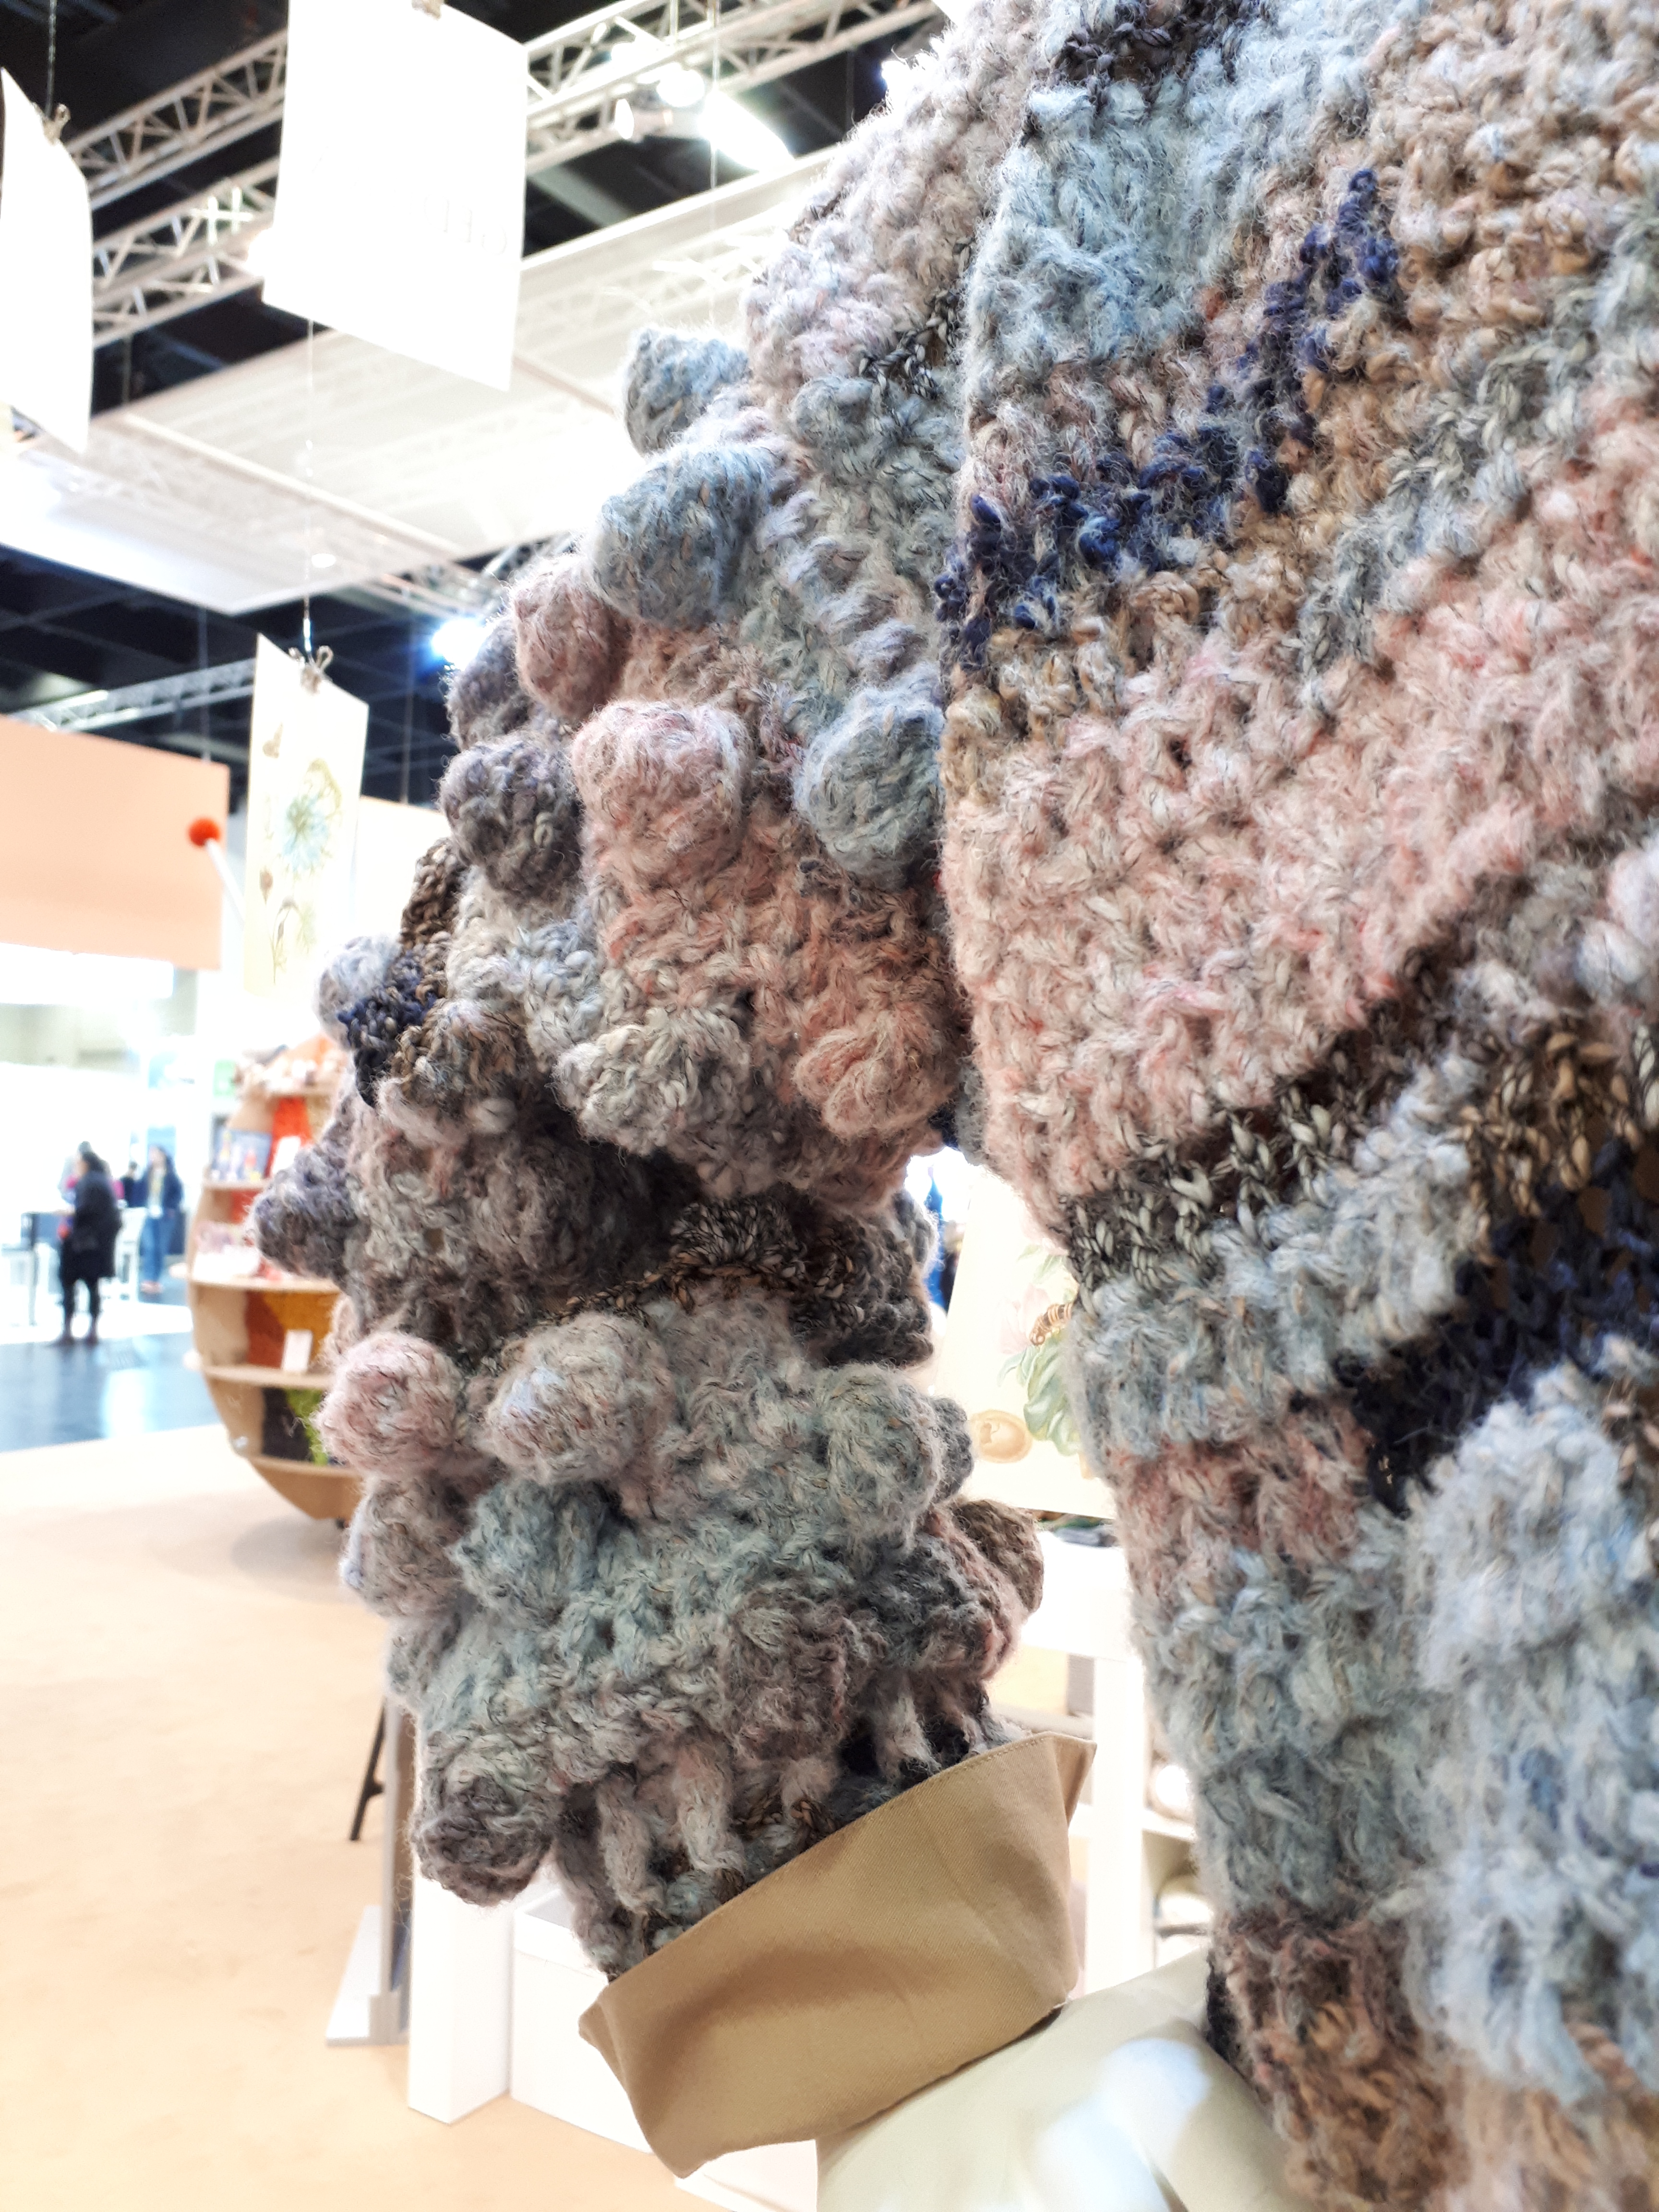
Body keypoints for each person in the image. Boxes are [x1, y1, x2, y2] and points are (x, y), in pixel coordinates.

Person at [57, 1144, 120, 1346]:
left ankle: (68, 1330)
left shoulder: (89, 1183)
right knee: (93, 1287)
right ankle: (92, 1331)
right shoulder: (102, 1182)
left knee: (70, 1283)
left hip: (83, 1244)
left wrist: (70, 1214)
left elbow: (85, 1210)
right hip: (96, 1245)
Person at [136, 1143, 184, 1297]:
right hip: (149, 1215)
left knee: (160, 1248)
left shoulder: (170, 1175)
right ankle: (148, 1279)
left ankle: (156, 1280)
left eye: (155, 1154)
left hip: (165, 1217)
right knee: (149, 1247)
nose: (153, 1157)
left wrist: (171, 1209)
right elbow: (140, 1192)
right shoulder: (148, 1173)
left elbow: (178, 1194)